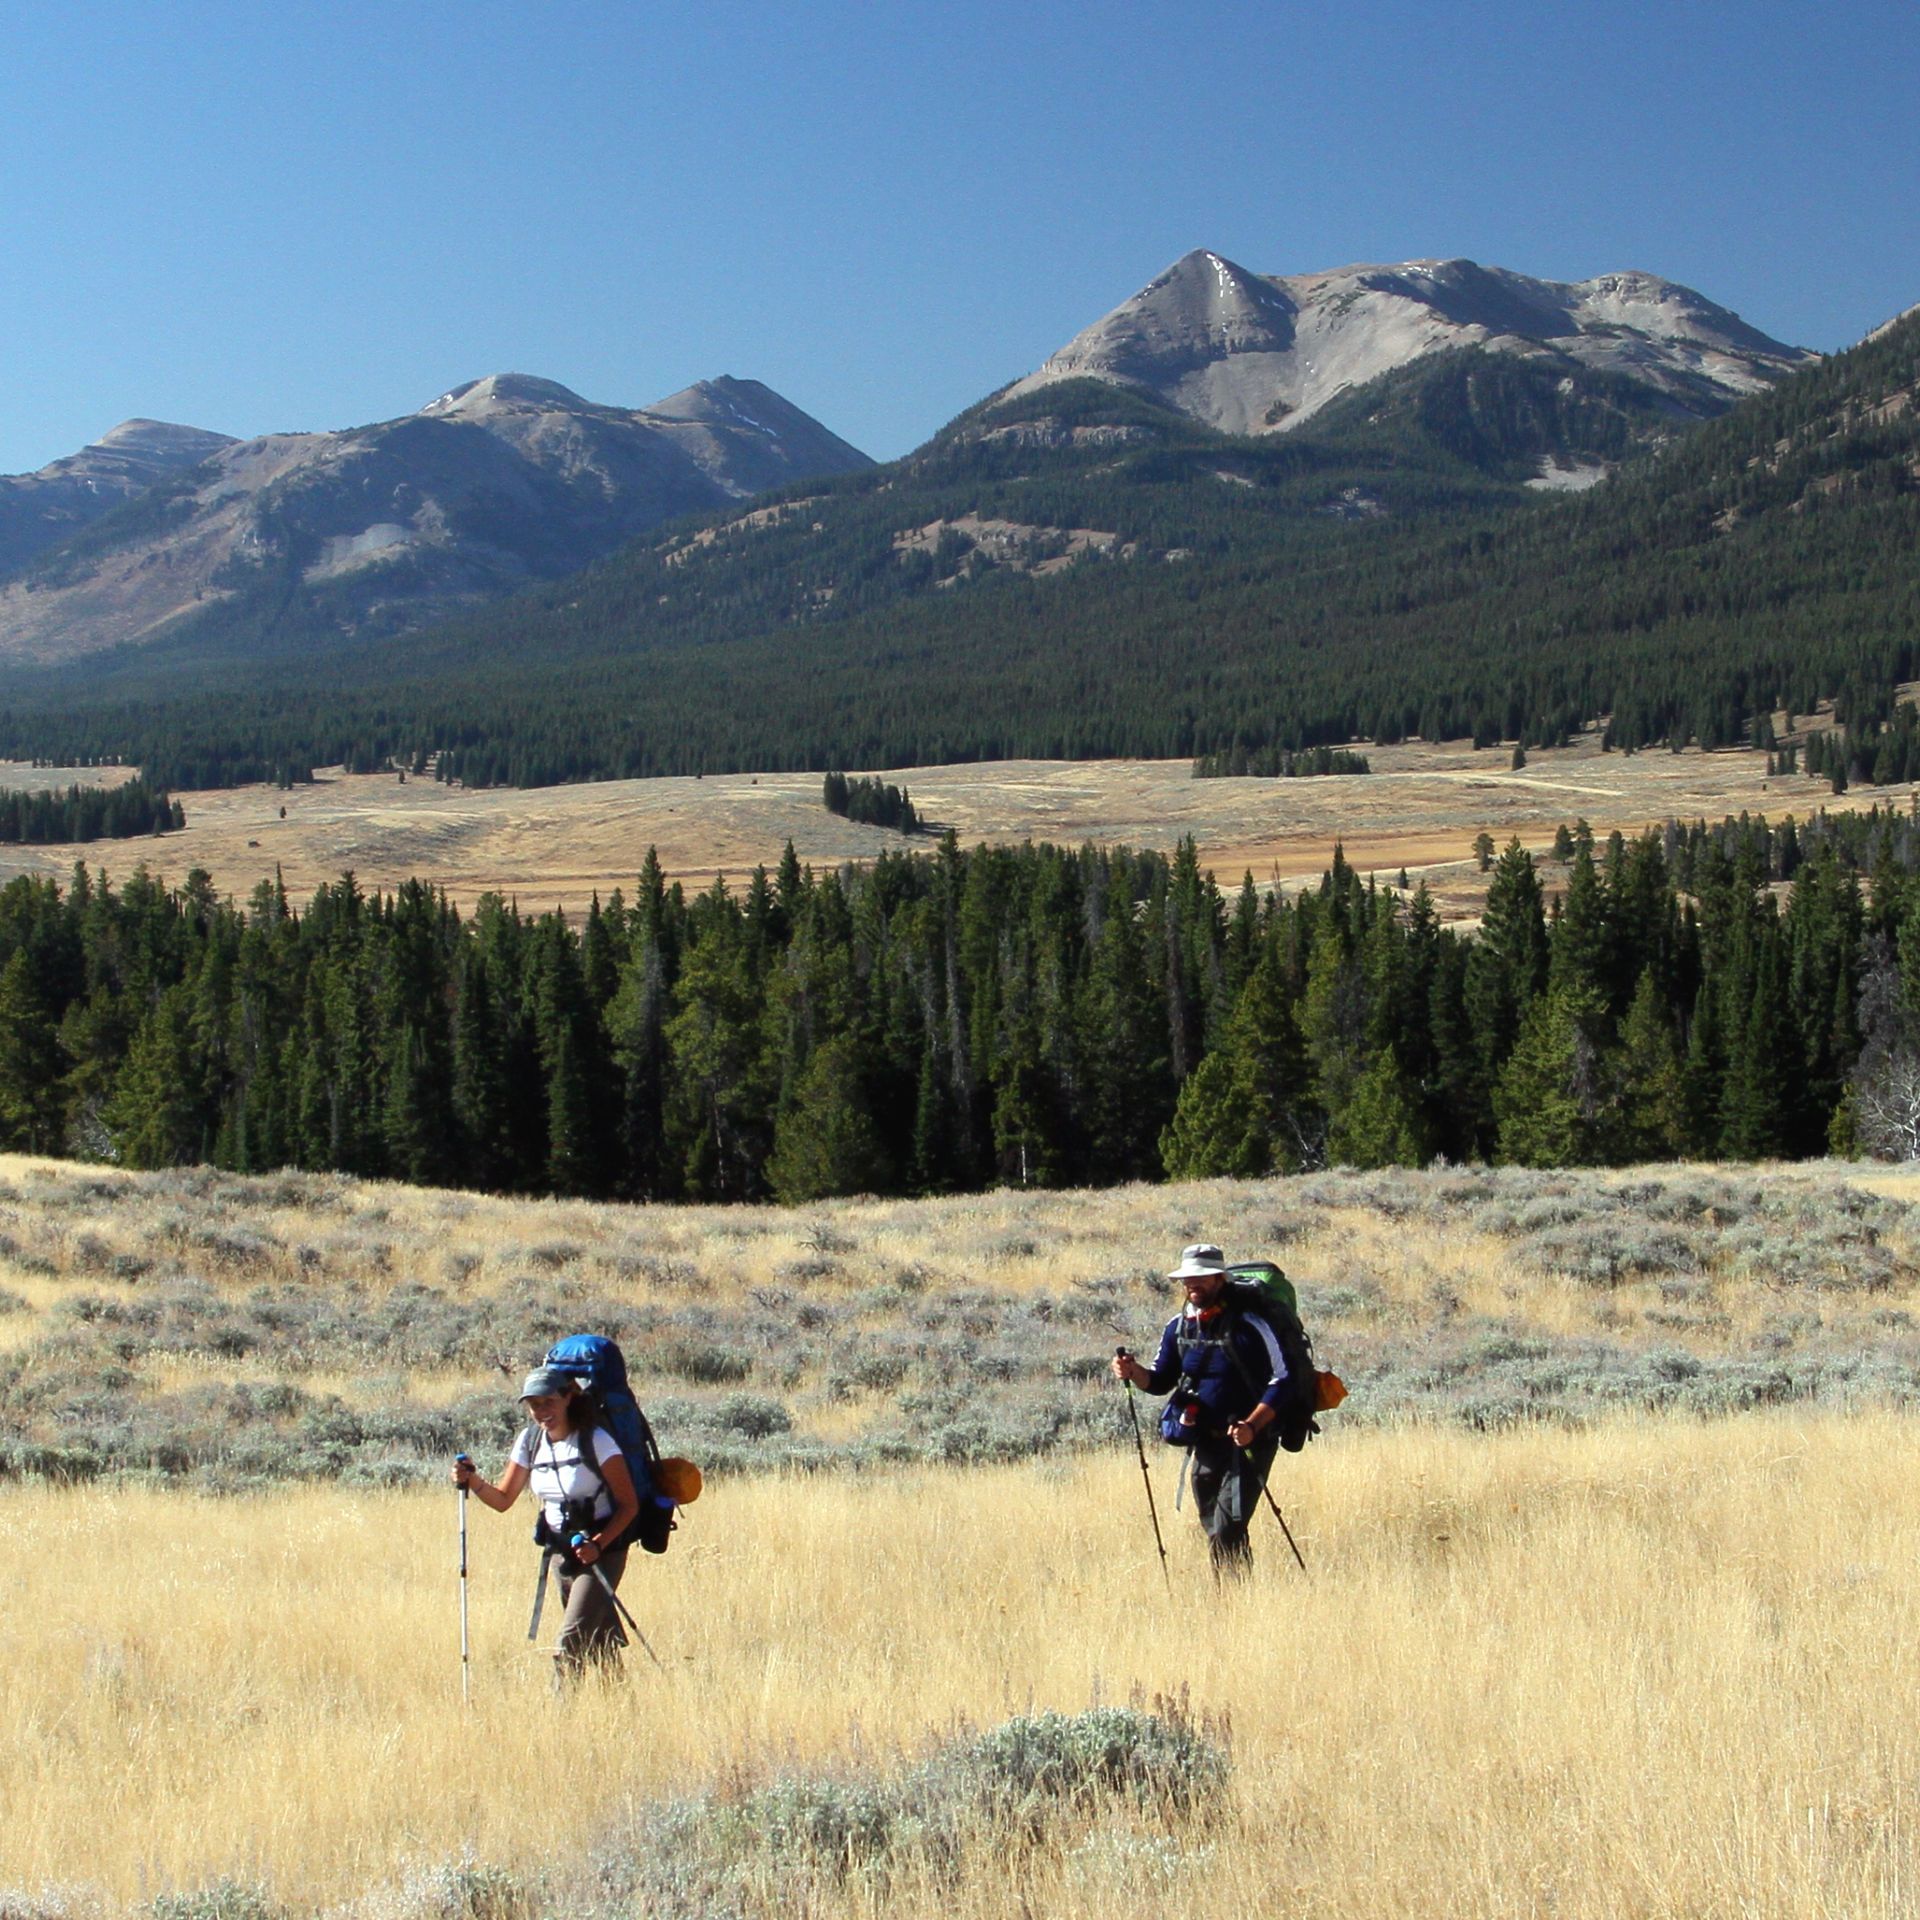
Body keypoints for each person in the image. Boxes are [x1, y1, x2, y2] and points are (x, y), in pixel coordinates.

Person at [452, 1365, 641, 1681]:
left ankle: (560, 1717)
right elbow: (502, 1500)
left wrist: (598, 1544)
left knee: (570, 1641)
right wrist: (471, 1481)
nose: (542, 1411)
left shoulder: (597, 1441)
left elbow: (629, 1505)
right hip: (560, 1553)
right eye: (534, 1404)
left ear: (568, 1397)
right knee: (598, 1640)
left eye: (549, 1401)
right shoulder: (530, 1442)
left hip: (604, 1552)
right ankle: (622, 1710)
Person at [1111, 1243, 1288, 1578]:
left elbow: (1283, 1381)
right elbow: (1161, 1380)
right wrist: (1132, 1373)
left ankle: (1230, 1598)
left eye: (1202, 1277)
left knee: (1228, 1524)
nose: (1193, 1284)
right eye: (1187, 1278)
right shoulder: (1179, 1327)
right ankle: (1237, 1596)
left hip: (1250, 1440)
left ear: (1220, 1279)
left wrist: (1252, 1425)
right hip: (1204, 1440)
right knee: (1214, 1524)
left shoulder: (1249, 1325)